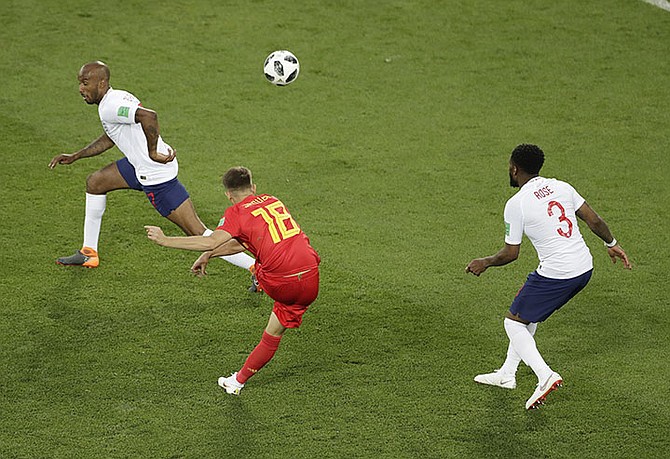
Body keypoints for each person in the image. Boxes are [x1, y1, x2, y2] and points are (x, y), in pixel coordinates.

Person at [49, 61, 256, 283]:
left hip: (155, 175)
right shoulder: (115, 98)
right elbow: (112, 135)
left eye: (85, 83)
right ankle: (88, 253)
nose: (81, 88)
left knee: (198, 232)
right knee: (96, 182)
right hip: (138, 165)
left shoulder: (110, 105)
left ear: (101, 82)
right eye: (80, 83)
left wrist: (153, 152)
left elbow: (149, 116)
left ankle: (255, 267)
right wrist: (77, 155)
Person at [465, 144, 631, 410]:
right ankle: (507, 374)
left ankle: (545, 376)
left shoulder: (516, 204)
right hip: (583, 268)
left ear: (515, 169)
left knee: (513, 323)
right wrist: (611, 243)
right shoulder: (562, 186)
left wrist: (484, 262)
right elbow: (594, 220)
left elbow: (511, 253)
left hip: (559, 273)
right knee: (525, 311)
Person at [145, 166, 320, 395]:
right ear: (254, 188)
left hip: (280, 283)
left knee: (266, 289)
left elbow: (211, 240)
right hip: (311, 276)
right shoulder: (273, 201)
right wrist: (211, 255)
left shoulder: (235, 213)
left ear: (228, 195)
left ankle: (258, 278)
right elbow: (245, 241)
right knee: (274, 330)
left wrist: (165, 240)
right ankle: (236, 381)